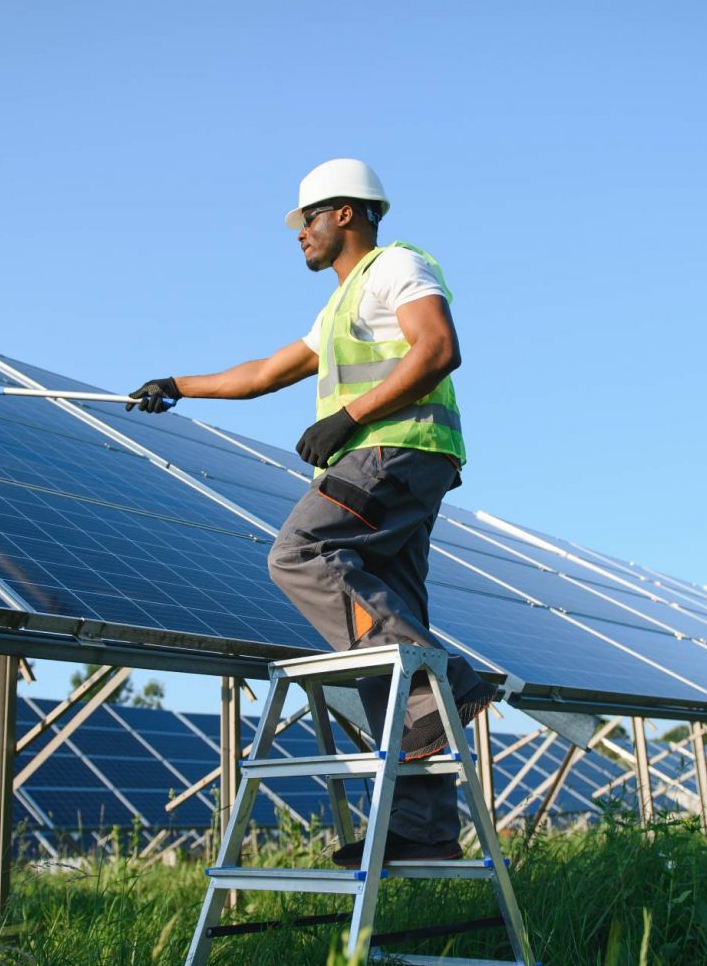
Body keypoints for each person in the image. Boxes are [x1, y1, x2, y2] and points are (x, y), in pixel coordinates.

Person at [128, 158, 499, 865]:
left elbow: (439, 347)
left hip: (396, 451)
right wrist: (176, 384)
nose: (297, 232)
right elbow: (263, 375)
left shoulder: (397, 267)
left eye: (307, 218)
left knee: (299, 554)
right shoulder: (337, 307)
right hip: (396, 466)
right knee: (384, 645)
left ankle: (446, 684)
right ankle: (423, 833)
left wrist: (348, 417)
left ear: (347, 214)